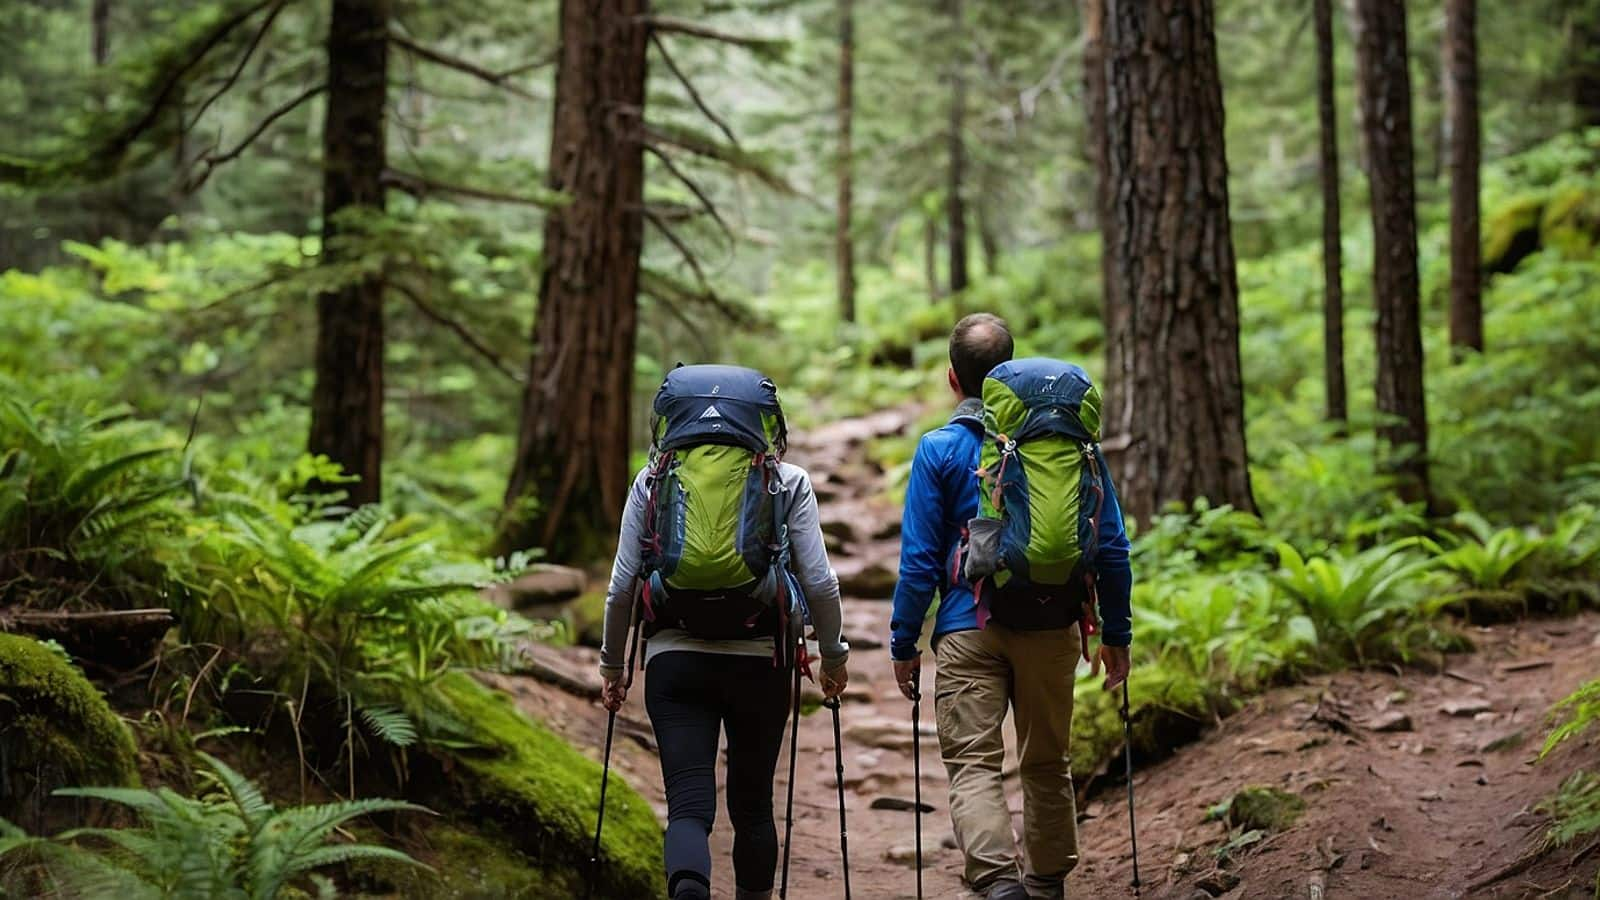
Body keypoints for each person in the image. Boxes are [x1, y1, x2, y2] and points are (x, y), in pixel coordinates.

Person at [889, 313, 1133, 900]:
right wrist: (1117, 635)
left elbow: (919, 560)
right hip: (1053, 626)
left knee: (974, 764)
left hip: (965, 630)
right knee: (1047, 763)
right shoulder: (1072, 445)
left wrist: (903, 642)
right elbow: (1112, 546)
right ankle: (1047, 882)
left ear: (953, 378)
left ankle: (999, 884)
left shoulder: (940, 448)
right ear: (1005, 371)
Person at [599, 365, 849, 900]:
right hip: (762, 660)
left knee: (688, 806)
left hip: (674, 659)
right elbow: (822, 584)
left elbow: (622, 586)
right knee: (754, 804)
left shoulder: (650, 481)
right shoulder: (787, 480)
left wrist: (612, 667)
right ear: (764, 423)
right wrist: (832, 657)